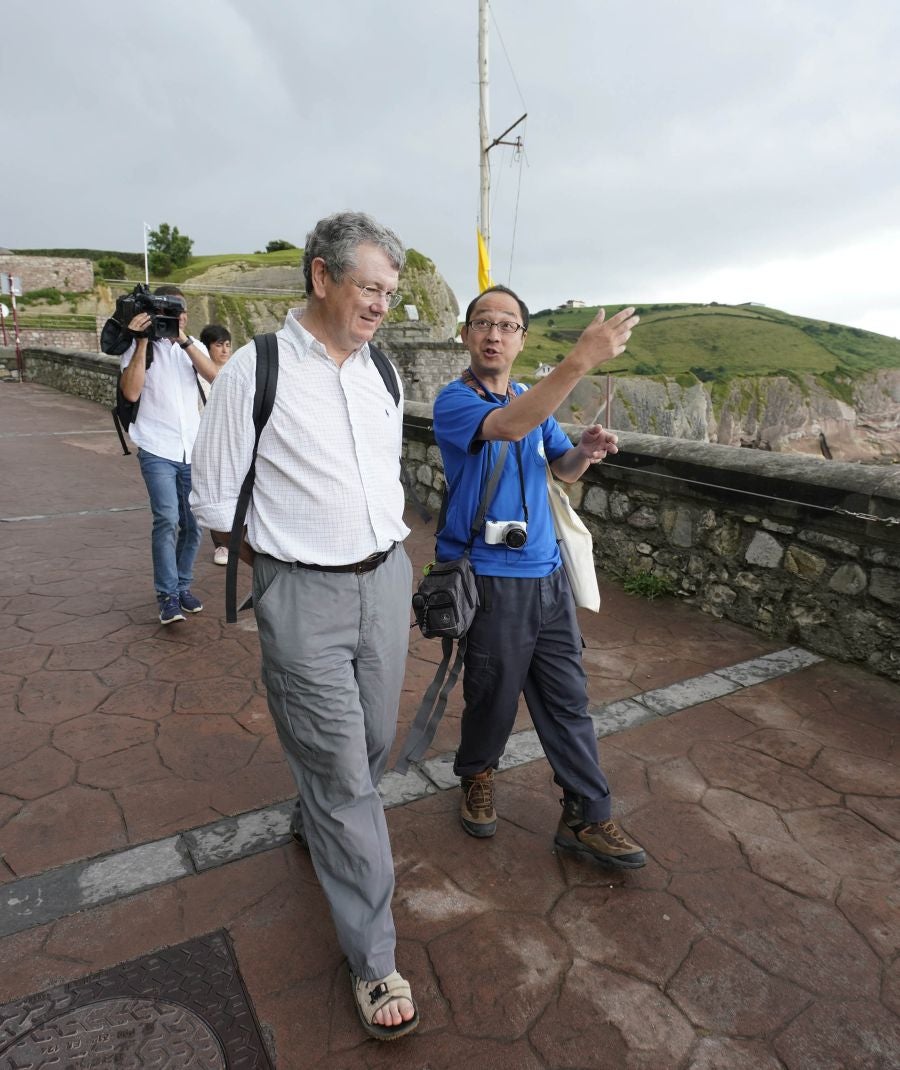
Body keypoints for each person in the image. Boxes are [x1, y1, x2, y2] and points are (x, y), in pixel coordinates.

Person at [189, 212, 419, 1040]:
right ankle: (375, 957)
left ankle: (314, 812)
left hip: (386, 581)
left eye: (390, 294)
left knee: (371, 744)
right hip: (302, 593)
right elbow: (214, 500)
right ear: (321, 277)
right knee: (347, 781)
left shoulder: (382, 373)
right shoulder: (257, 368)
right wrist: (284, 571)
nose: (381, 307)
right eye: (369, 288)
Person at [433, 285, 647, 869]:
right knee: (493, 697)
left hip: (548, 577)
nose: (495, 334)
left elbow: (563, 470)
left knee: (568, 701)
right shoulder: (455, 403)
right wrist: (581, 359)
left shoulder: (532, 396)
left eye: (507, 325)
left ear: (522, 339)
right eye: (483, 323)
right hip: (493, 579)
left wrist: (586, 449)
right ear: (466, 335)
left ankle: (588, 813)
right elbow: (505, 428)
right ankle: (476, 774)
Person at [119, 286, 220, 624]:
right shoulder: (137, 349)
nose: (176, 317)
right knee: (167, 519)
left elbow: (215, 376)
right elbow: (131, 392)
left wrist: (184, 340)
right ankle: (166, 594)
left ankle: (181, 587)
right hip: (156, 448)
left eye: (180, 311)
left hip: (192, 449)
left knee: (193, 526)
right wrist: (143, 340)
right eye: (169, 312)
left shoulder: (192, 348)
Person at [195, 323, 233, 565]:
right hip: (206, 441)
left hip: (232, 440)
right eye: (218, 345)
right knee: (213, 494)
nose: (224, 350)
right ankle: (221, 545)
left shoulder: (237, 371)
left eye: (227, 344)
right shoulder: (196, 375)